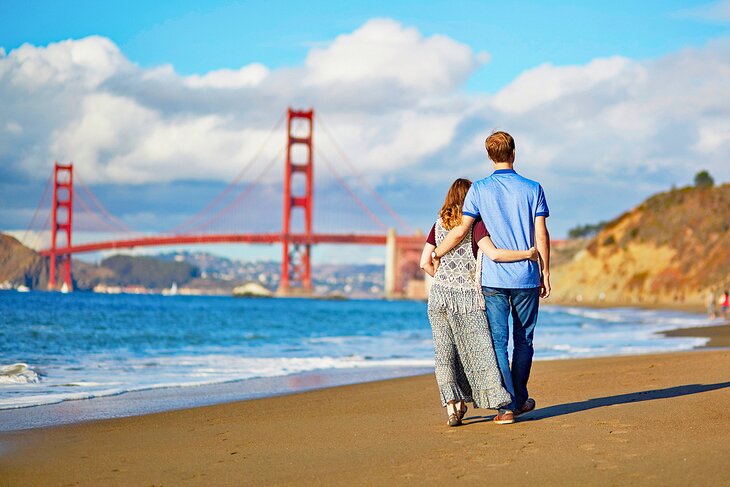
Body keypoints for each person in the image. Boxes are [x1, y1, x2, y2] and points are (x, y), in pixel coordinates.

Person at [432, 131, 550, 425]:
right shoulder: (533, 188)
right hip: (526, 276)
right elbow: (541, 233)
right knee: (525, 341)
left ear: (489, 156)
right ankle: (520, 398)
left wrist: (438, 252)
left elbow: (460, 231)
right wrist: (545, 270)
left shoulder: (480, 189)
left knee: (499, 342)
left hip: (494, 279)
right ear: (514, 153)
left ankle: (506, 407)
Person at [420, 178, 537, 426]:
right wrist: (527, 254)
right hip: (468, 299)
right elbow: (494, 254)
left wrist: (443, 278)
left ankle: (454, 408)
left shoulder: (437, 225)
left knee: (444, 354)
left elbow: (424, 262)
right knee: (480, 353)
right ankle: (504, 404)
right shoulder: (477, 226)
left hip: (439, 296)